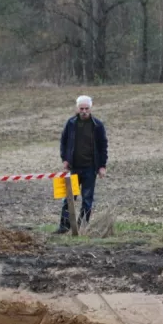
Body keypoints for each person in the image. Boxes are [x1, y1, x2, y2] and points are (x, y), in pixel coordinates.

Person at [57, 94, 108, 232]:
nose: (84, 111)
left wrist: (102, 166)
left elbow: (103, 146)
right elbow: (64, 142)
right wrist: (65, 159)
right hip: (74, 169)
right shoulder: (70, 123)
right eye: (81, 108)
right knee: (68, 199)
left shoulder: (97, 125)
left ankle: (82, 227)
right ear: (77, 108)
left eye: (86, 108)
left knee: (87, 200)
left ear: (90, 109)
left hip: (90, 169)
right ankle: (64, 226)